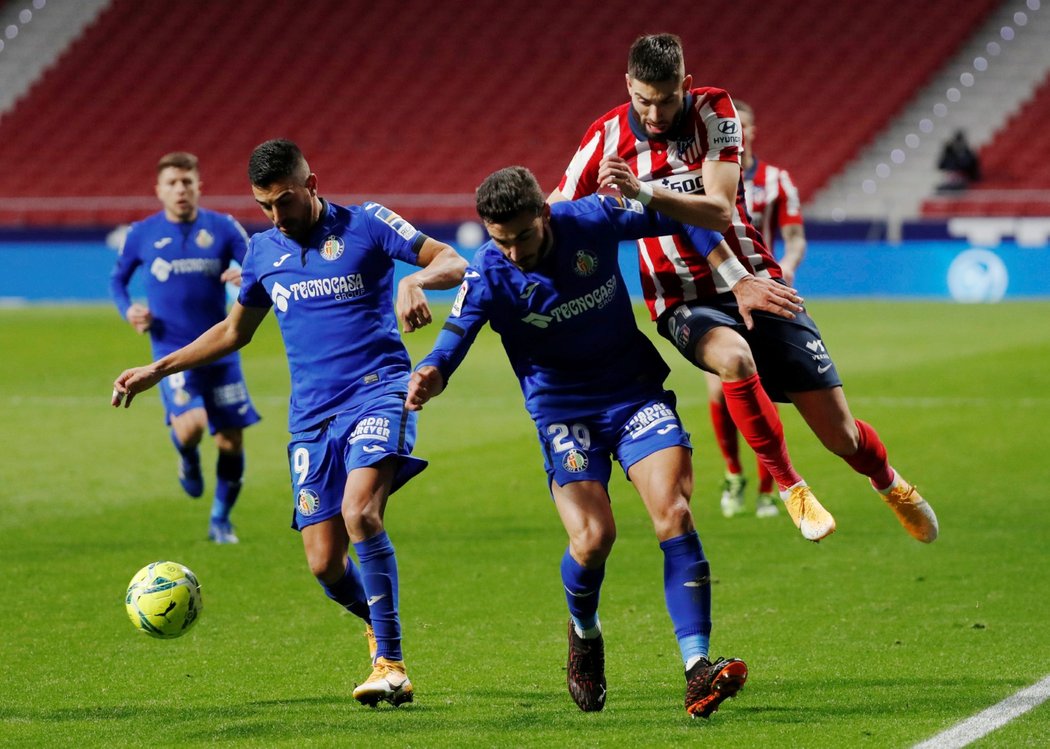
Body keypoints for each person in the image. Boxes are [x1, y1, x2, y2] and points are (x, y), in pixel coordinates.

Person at [112, 139, 467, 707]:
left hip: (378, 393)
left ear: (312, 184)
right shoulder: (262, 252)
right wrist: (159, 367)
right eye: (264, 206)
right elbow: (233, 332)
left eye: (284, 202)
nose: (276, 216)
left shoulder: (368, 224)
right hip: (311, 419)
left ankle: (392, 662)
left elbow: (452, 259)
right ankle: (374, 621)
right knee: (325, 565)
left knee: (361, 513)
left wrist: (414, 281)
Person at [552, 33, 938, 544]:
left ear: (684, 86)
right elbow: (557, 205)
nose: (654, 112)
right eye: (643, 99)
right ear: (627, 86)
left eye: (666, 99)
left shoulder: (714, 109)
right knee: (733, 360)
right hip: (682, 298)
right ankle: (790, 485)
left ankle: (889, 482)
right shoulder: (605, 136)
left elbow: (716, 208)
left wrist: (640, 190)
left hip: (756, 281)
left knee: (840, 434)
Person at [407, 166, 751, 718]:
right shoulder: (490, 272)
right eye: (501, 240)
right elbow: (453, 339)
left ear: (544, 213)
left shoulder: (592, 216)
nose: (514, 251)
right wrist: (430, 373)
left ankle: (696, 668)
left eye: (522, 235)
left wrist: (732, 273)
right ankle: (584, 631)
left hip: (635, 393)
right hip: (564, 413)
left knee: (675, 514)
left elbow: (685, 215)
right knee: (593, 540)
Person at [109, 151, 260, 544]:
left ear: (198, 187)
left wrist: (245, 274)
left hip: (220, 348)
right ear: (159, 190)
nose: (181, 190)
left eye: (187, 182)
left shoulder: (224, 228)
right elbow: (118, 282)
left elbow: (259, 268)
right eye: (173, 183)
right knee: (191, 428)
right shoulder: (141, 234)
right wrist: (130, 311)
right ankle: (188, 458)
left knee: (231, 441)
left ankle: (220, 519)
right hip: (171, 351)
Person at [706, 99, 809, 519]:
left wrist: (783, 270)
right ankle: (734, 473)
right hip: (717, 289)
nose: (740, 132)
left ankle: (770, 486)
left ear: (753, 130)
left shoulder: (775, 180)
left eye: (744, 125)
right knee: (721, 387)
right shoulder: (707, 176)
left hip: (765, 289)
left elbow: (795, 236)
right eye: (733, 125)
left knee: (765, 390)